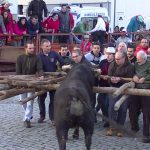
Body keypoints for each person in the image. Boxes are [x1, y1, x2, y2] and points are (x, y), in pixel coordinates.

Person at [16, 41, 44, 128]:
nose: (32, 50)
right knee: (23, 101)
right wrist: (19, 82)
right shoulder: (20, 58)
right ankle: (28, 115)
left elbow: (39, 68)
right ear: (26, 48)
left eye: (33, 48)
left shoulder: (37, 58)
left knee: (29, 102)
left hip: (32, 83)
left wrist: (41, 75)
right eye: (30, 48)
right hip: (22, 82)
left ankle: (27, 119)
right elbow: (18, 72)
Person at [106, 51, 134, 137]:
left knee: (123, 109)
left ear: (124, 58)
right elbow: (109, 76)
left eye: (118, 59)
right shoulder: (112, 64)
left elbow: (130, 79)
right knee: (111, 108)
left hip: (125, 90)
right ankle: (112, 127)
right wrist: (112, 80)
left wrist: (120, 79)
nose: (116, 60)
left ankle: (120, 128)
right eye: (115, 59)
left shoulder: (130, 66)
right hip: (113, 89)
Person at [37, 39, 64, 126]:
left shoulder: (54, 53)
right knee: (41, 99)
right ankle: (42, 115)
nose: (49, 48)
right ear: (42, 47)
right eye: (47, 46)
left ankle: (52, 118)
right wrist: (40, 75)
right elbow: (39, 68)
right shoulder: (38, 56)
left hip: (53, 80)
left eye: (49, 46)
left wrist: (66, 66)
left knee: (53, 99)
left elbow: (62, 62)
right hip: (43, 81)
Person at [129, 51, 150, 143]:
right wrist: (134, 76)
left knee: (146, 113)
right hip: (136, 90)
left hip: (146, 91)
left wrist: (145, 78)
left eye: (139, 59)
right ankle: (134, 128)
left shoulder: (149, 64)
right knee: (132, 110)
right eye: (137, 58)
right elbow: (133, 73)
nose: (137, 60)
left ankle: (146, 133)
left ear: (145, 59)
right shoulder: (136, 64)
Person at [96, 47, 115, 127]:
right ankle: (106, 117)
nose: (108, 56)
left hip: (111, 86)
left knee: (107, 103)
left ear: (113, 55)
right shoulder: (102, 62)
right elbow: (98, 71)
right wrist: (100, 75)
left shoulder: (115, 63)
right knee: (100, 101)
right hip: (102, 85)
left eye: (110, 54)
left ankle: (109, 120)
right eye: (107, 54)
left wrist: (109, 77)